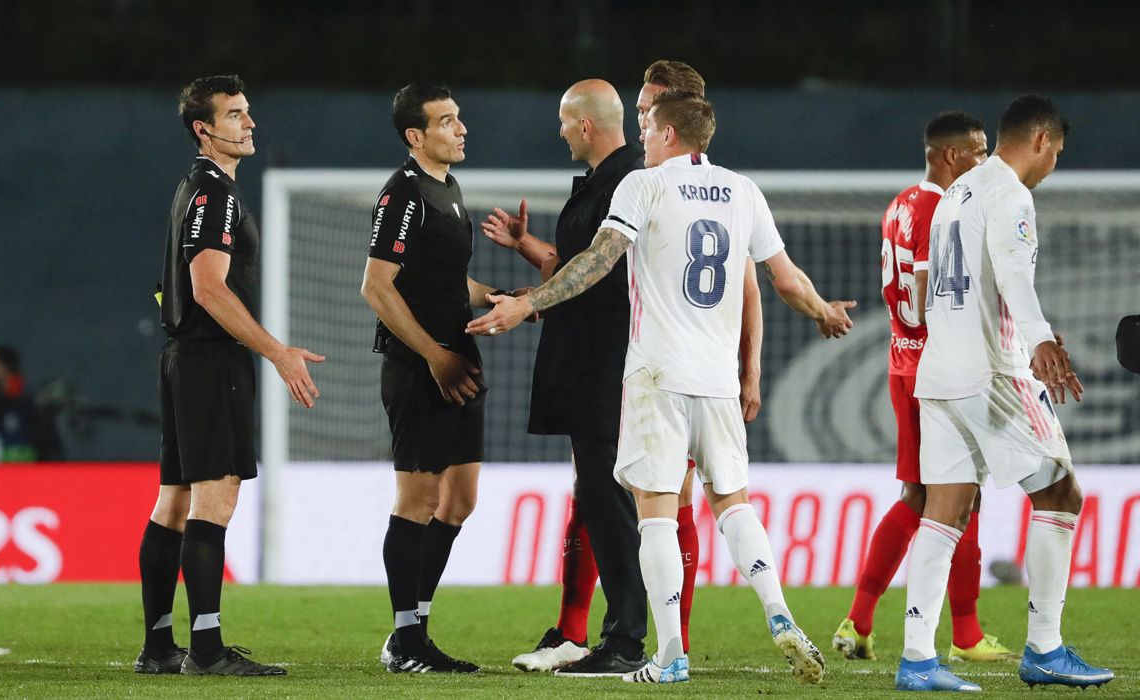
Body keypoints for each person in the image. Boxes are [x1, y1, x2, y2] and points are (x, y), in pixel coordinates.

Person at [468, 91, 854, 684]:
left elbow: (598, 260)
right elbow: (783, 279)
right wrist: (823, 310)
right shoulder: (744, 190)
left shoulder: (643, 186)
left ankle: (670, 654)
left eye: (647, 126)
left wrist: (531, 304)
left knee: (655, 514)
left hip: (657, 375)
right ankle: (779, 613)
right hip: (719, 379)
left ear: (670, 134)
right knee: (732, 501)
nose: (640, 136)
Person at [490, 62, 762, 677]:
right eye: (637, 109)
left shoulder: (644, 184)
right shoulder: (611, 182)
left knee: (654, 506)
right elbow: (582, 262)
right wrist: (532, 257)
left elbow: (747, 281)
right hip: (620, 364)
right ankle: (616, 633)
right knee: (612, 500)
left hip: (643, 369)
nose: (642, 120)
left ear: (672, 118)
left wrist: (751, 366)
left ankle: (645, 637)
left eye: (648, 110)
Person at [895, 94, 1114, 691]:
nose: (1053, 168)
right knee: (1062, 494)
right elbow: (1013, 272)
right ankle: (1044, 648)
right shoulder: (1010, 194)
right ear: (1041, 140)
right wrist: (1038, 340)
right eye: (1058, 154)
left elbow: (938, 294)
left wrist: (1020, 329)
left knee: (945, 514)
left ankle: (917, 659)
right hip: (992, 373)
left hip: (940, 372)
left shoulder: (954, 195)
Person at [136, 75, 323, 677]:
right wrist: (276, 352)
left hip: (184, 357)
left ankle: (160, 645)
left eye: (248, 113)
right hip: (211, 359)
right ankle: (208, 650)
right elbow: (209, 288)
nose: (249, 123)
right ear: (204, 129)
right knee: (214, 498)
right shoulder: (214, 194)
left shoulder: (196, 189)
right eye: (235, 115)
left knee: (175, 499)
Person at [833, 112, 1017, 663]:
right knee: (943, 498)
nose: (986, 162)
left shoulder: (898, 205)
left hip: (901, 364)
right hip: (937, 372)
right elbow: (929, 292)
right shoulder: (945, 209)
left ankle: (872, 622)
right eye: (979, 152)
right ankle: (955, 635)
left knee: (939, 496)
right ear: (951, 155)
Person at [361, 83, 508, 675]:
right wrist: (433, 356)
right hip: (422, 366)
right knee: (418, 499)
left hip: (457, 361)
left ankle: (416, 627)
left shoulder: (447, 189)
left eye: (459, 118)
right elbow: (377, 286)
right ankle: (404, 638)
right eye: (447, 121)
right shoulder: (402, 194)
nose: (461, 128)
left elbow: (447, 281)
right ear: (415, 136)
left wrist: (497, 297)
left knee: (460, 498)